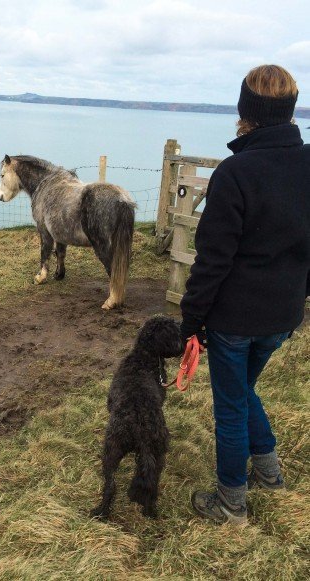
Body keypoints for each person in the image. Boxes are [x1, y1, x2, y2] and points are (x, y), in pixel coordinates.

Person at [179, 64, 310, 524]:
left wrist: (190, 320)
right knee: (244, 391)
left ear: (244, 111)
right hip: (283, 314)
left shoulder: (236, 173)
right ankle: (270, 474)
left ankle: (231, 504)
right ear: (290, 111)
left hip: (235, 319)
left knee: (231, 406)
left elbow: (212, 261)